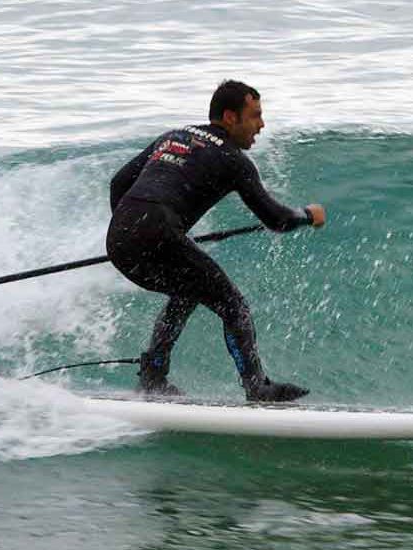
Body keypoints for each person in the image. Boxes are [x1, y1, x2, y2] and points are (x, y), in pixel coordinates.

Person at [105, 80, 324, 402]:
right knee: (233, 306)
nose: (261, 125)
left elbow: (119, 183)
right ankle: (257, 387)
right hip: (158, 230)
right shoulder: (234, 160)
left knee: (187, 291)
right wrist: (307, 215)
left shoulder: (174, 137)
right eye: (255, 115)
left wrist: (134, 228)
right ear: (230, 117)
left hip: (119, 239)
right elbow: (276, 219)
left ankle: (153, 373)